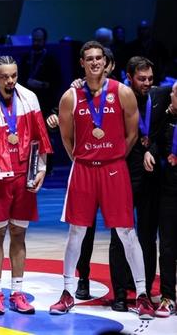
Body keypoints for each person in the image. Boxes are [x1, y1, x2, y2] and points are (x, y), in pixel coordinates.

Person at [49, 41, 155, 320]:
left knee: (127, 233)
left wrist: (113, 157)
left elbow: (132, 134)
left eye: (99, 58)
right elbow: (66, 137)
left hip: (114, 169)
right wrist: (83, 159)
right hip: (83, 169)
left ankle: (142, 295)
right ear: (82, 63)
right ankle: (67, 292)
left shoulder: (122, 92)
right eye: (90, 59)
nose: (95, 62)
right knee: (76, 232)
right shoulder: (70, 97)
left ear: (106, 63)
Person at [0, 56, 52, 315]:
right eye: (5, 76)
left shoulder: (29, 98)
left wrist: (42, 169)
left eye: (14, 75)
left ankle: (17, 292)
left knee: (19, 234)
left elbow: (39, 136)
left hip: (24, 174)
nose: (10, 81)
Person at [105, 57, 172, 309]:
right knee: (119, 235)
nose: (147, 83)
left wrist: (151, 149)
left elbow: (160, 132)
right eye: (141, 79)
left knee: (147, 236)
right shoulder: (115, 98)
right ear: (129, 76)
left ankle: (143, 289)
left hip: (151, 177)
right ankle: (120, 294)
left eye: (150, 79)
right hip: (122, 175)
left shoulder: (160, 95)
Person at [155, 81, 177, 317]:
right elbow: (153, 142)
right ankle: (168, 297)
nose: (172, 97)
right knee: (168, 246)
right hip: (169, 192)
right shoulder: (164, 119)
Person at [18, 27, 61, 117]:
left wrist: (41, 84)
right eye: (34, 40)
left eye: (39, 40)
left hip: (45, 102)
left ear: (44, 40)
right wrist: (27, 82)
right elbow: (20, 78)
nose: (36, 43)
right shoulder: (26, 57)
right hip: (28, 101)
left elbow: (57, 82)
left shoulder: (50, 59)